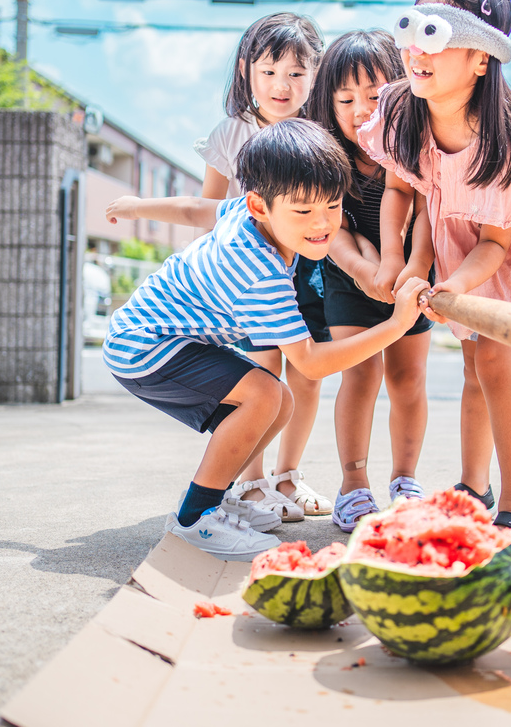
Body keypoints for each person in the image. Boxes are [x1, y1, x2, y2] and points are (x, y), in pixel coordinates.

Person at [103, 120, 429, 561]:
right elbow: (310, 363)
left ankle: (221, 496)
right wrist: (394, 326)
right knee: (261, 394)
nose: (322, 225)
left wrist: (140, 206)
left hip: (165, 339)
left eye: (332, 207)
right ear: (261, 204)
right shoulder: (259, 272)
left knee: (280, 398)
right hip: (146, 346)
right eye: (302, 212)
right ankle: (195, 519)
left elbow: (197, 209)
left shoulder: (248, 214)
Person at [358, 0, 511, 549]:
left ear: (482, 59)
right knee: (471, 366)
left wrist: (452, 286)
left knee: (497, 366)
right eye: (411, 28)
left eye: (436, 34)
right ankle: (473, 489)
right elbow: (406, 192)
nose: (416, 49)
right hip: (458, 241)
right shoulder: (402, 110)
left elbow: (496, 244)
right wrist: (402, 260)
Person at [193, 13, 332, 522]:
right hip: (249, 277)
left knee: (309, 375)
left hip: (309, 270)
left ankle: (287, 476)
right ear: (247, 71)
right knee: (261, 376)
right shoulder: (230, 134)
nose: (282, 85)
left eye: (297, 72)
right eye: (269, 71)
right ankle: (250, 483)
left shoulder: (322, 131)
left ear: (316, 74)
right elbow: (207, 213)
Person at [305, 30, 434, 531]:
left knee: (408, 378)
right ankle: (353, 485)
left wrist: (410, 269)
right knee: (359, 375)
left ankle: (405, 479)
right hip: (343, 274)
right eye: (345, 98)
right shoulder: (325, 155)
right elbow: (330, 230)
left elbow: (424, 212)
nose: (360, 109)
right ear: (328, 103)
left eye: (375, 95)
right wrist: (363, 270)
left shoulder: (417, 145)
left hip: (412, 274)